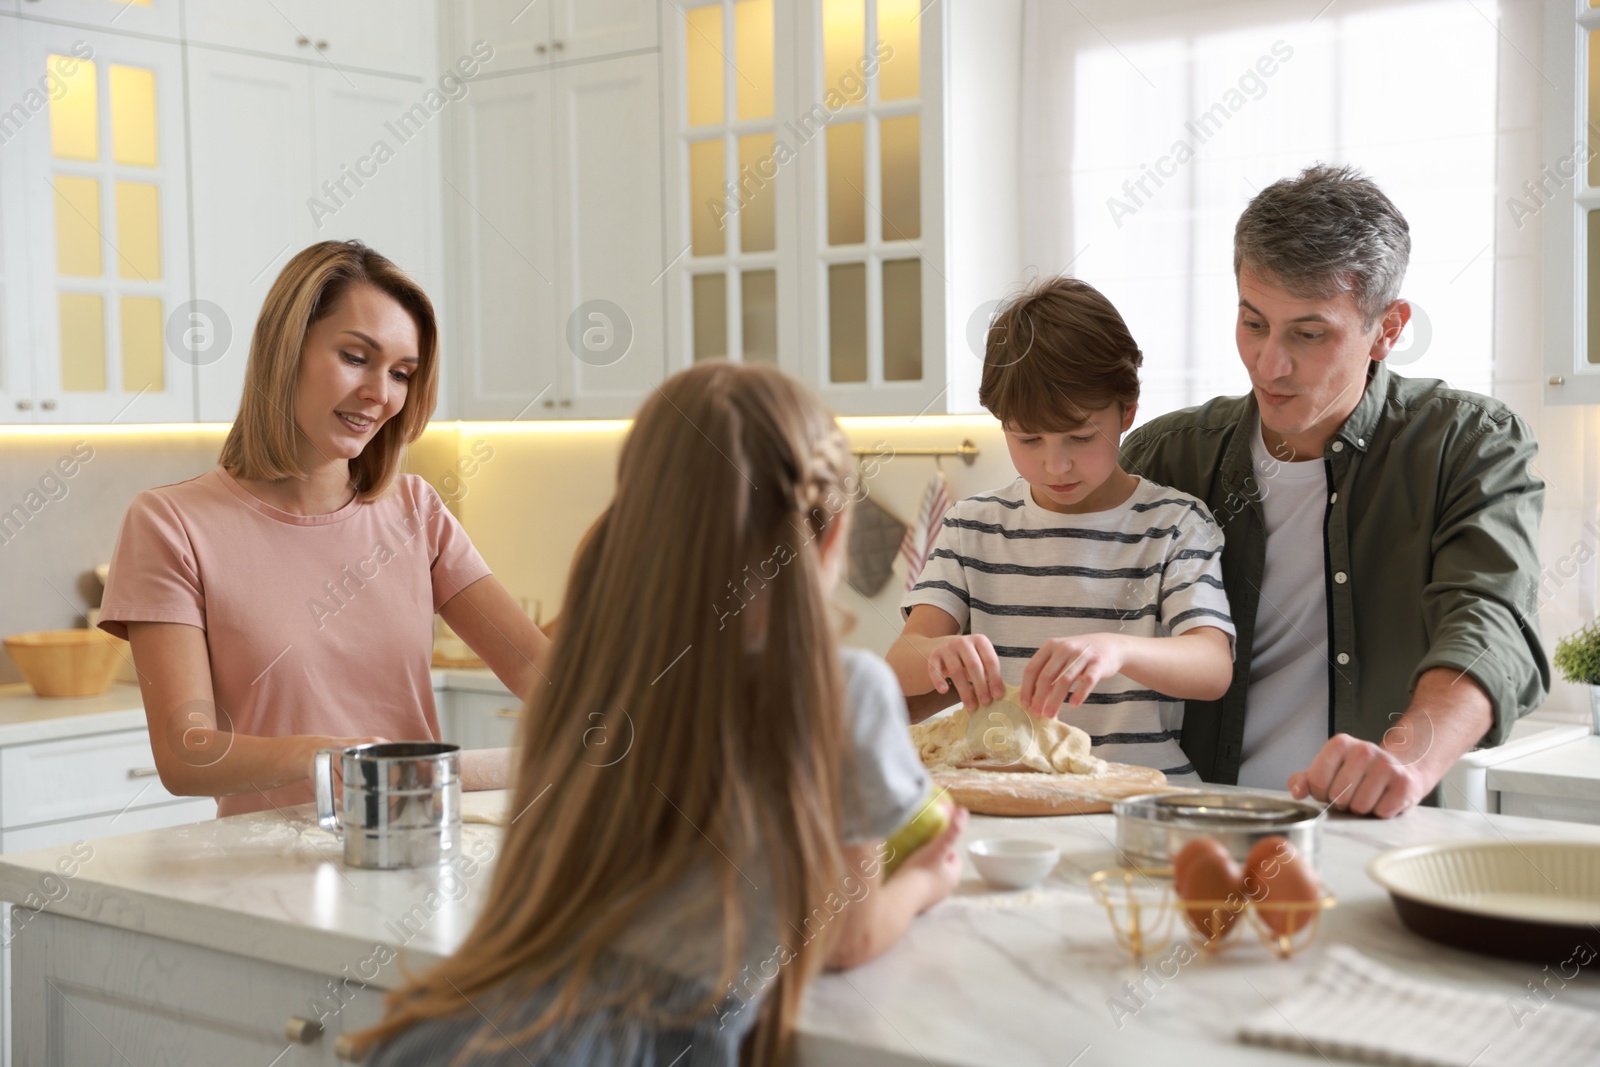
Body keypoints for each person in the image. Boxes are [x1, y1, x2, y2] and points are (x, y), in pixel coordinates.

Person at [349, 362, 967, 1067]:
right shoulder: (844, 690)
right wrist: (927, 879)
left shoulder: (588, 662)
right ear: (828, 537)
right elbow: (845, 937)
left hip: (463, 1029)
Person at [1120, 163, 1549, 817]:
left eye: (1309, 333)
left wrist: (1406, 756)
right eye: (1253, 322)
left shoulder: (1468, 444)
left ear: (1388, 329)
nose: (1269, 365)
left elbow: (1490, 624)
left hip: (1364, 837)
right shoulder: (1165, 455)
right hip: (1187, 827)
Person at [98, 240, 548, 817]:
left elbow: (539, 672)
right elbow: (186, 755)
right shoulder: (171, 524)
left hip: (415, 851)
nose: (380, 396)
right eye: (356, 357)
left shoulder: (416, 512)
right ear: (286, 351)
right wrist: (323, 759)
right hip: (264, 873)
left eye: (402, 373)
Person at [887, 276, 1236, 778]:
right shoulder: (972, 526)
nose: (1056, 466)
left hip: (1139, 799)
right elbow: (899, 664)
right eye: (1029, 440)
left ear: (1127, 413)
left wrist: (1116, 648)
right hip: (1004, 792)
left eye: (1080, 436)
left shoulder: (1175, 524)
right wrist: (940, 654)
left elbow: (1211, 667)